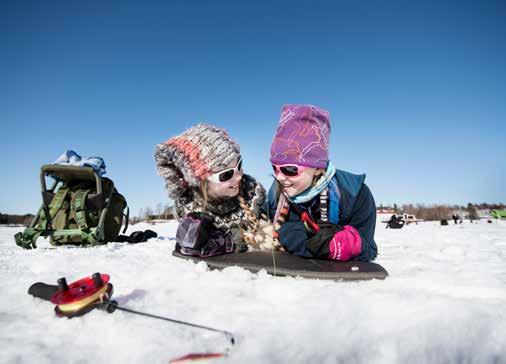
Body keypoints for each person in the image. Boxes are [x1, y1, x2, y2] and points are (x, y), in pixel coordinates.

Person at [265, 104, 377, 261]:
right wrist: (296, 237)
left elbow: (369, 249)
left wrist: (351, 245)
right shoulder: (276, 192)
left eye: (290, 169)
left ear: (317, 168)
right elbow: (263, 229)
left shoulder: (355, 193)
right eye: (275, 168)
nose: (280, 177)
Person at [154, 124, 274, 257]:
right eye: (226, 175)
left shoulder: (253, 194)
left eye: (239, 164)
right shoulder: (190, 208)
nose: (239, 176)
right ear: (201, 182)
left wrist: (238, 240)